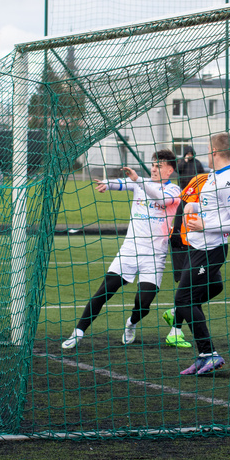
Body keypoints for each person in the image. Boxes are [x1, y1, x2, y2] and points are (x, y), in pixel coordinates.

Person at [61, 150, 181, 350]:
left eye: (159, 166)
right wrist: (107, 184)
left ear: (170, 170)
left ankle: (131, 323)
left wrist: (138, 181)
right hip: (130, 249)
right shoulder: (139, 182)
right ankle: (78, 332)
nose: (153, 168)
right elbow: (121, 183)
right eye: (152, 164)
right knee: (104, 290)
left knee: (143, 304)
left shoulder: (174, 191)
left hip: (155, 256)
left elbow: (161, 199)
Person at [176, 132, 230, 375]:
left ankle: (209, 354)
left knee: (183, 300)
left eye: (208, 149)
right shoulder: (212, 178)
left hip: (211, 250)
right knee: (188, 300)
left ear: (215, 152)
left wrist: (205, 226)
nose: (206, 154)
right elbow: (212, 208)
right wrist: (193, 206)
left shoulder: (228, 181)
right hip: (199, 247)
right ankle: (204, 355)